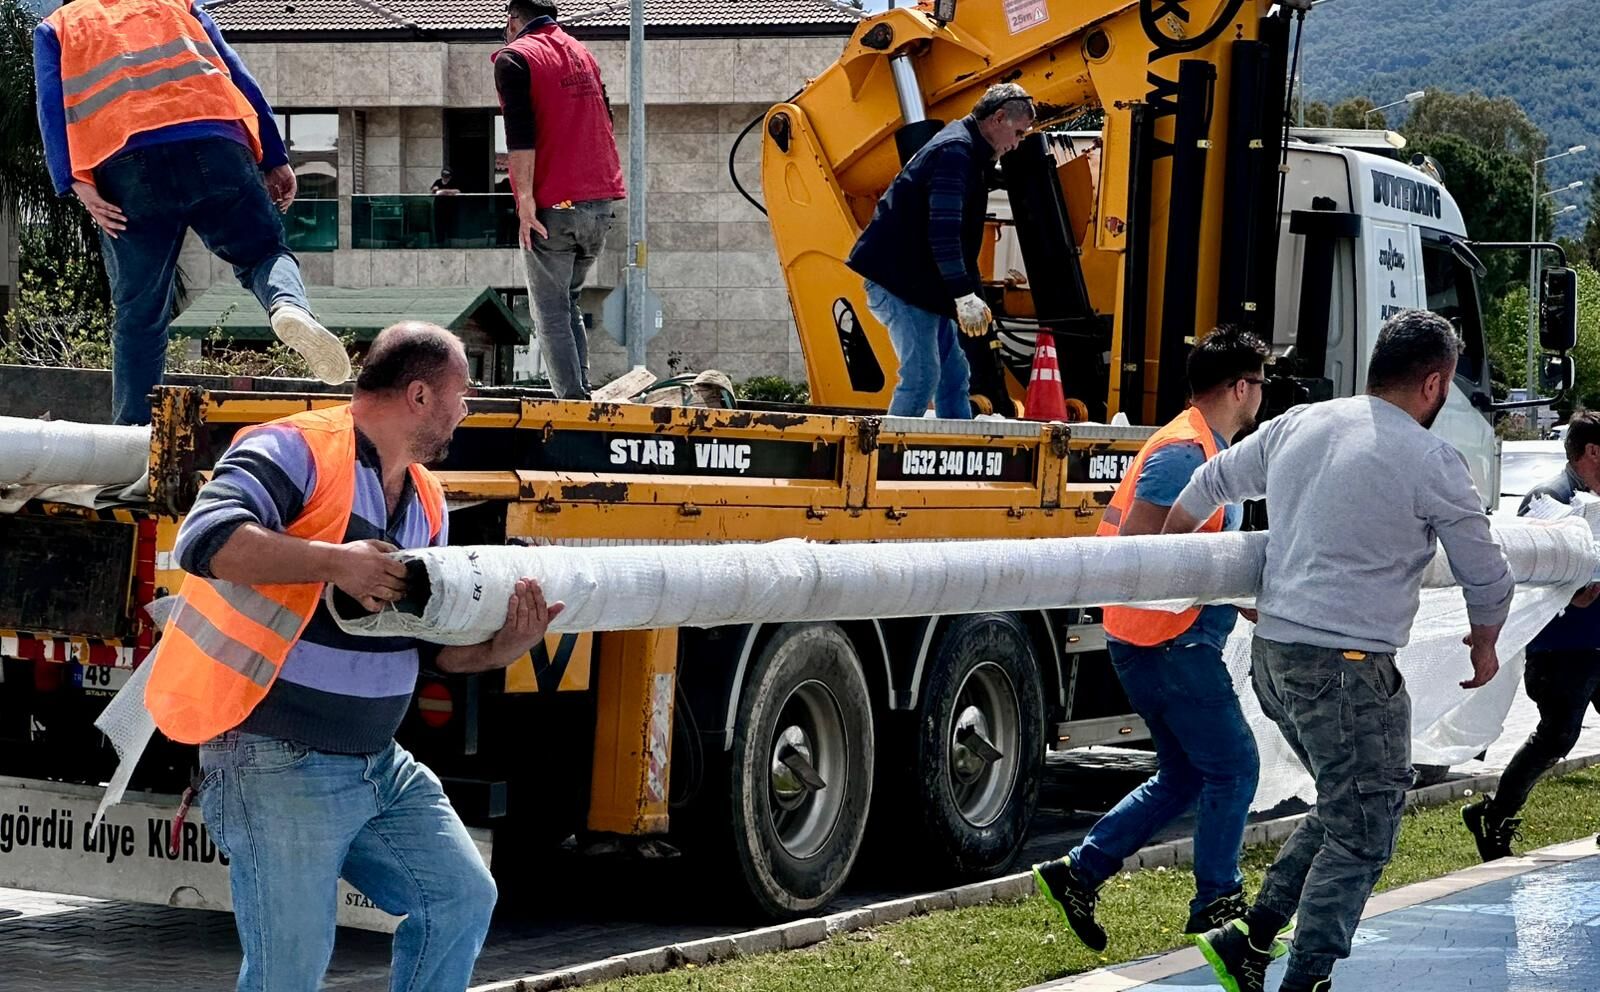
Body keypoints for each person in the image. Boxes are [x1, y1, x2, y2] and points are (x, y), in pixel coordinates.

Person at [146, 322, 562, 991]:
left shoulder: (426, 500)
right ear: (420, 395)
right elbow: (205, 538)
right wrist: (334, 562)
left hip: (378, 764)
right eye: (463, 390)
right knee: (288, 975)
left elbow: (417, 651)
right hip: (275, 755)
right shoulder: (297, 448)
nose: (469, 407)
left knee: (458, 896)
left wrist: (495, 649)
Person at [1164, 310, 1514, 992]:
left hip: (1275, 658)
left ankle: (1252, 937)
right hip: (1347, 669)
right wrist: (1486, 643)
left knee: (1346, 800)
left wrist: (1170, 574)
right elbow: (1487, 569)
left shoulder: (1303, 423)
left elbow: (1205, 487)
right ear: (1435, 383)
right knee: (1365, 828)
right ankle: (1306, 979)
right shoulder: (1430, 459)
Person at [1033, 327, 1271, 950]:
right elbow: (1149, 559)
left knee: (1185, 776)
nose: (1263, 396)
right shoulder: (1185, 452)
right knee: (1235, 767)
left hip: (1164, 640)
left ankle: (1079, 872)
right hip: (1170, 643)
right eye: (1261, 383)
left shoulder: (1202, 445)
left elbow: (1192, 555)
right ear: (1239, 387)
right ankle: (1217, 901)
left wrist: (1239, 599)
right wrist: (1223, 595)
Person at [33, 0, 350, 426]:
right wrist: (274, 155)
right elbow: (236, 74)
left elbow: (50, 106)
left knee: (140, 312)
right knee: (261, 253)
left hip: (124, 163)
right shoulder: (179, 6)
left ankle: (135, 442)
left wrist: (76, 183)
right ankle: (288, 307)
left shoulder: (57, 26)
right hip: (214, 143)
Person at [846, 83, 1035, 420]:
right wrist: (964, 295)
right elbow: (944, 232)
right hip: (901, 283)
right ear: (999, 117)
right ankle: (885, 458)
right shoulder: (955, 153)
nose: (1017, 143)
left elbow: (951, 238)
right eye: (1018, 133)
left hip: (919, 283)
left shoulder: (965, 149)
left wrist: (967, 294)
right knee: (922, 375)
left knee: (953, 377)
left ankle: (953, 458)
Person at [1462, 410, 1600, 861]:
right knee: (1558, 736)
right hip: (1562, 647)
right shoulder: (1548, 498)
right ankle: (1495, 815)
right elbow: (1526, 570)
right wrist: (1575, 591)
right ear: (1593, 452)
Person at [494, 0, 625, 400]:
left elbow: (520, 137)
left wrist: (526, 201)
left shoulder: (515, 58)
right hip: (599, 204)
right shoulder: (582, 53)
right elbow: (607, 120)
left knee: (549, 311)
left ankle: (572, 403)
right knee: (568, 301)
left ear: (514, 19)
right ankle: (580, 391)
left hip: (556, 205)